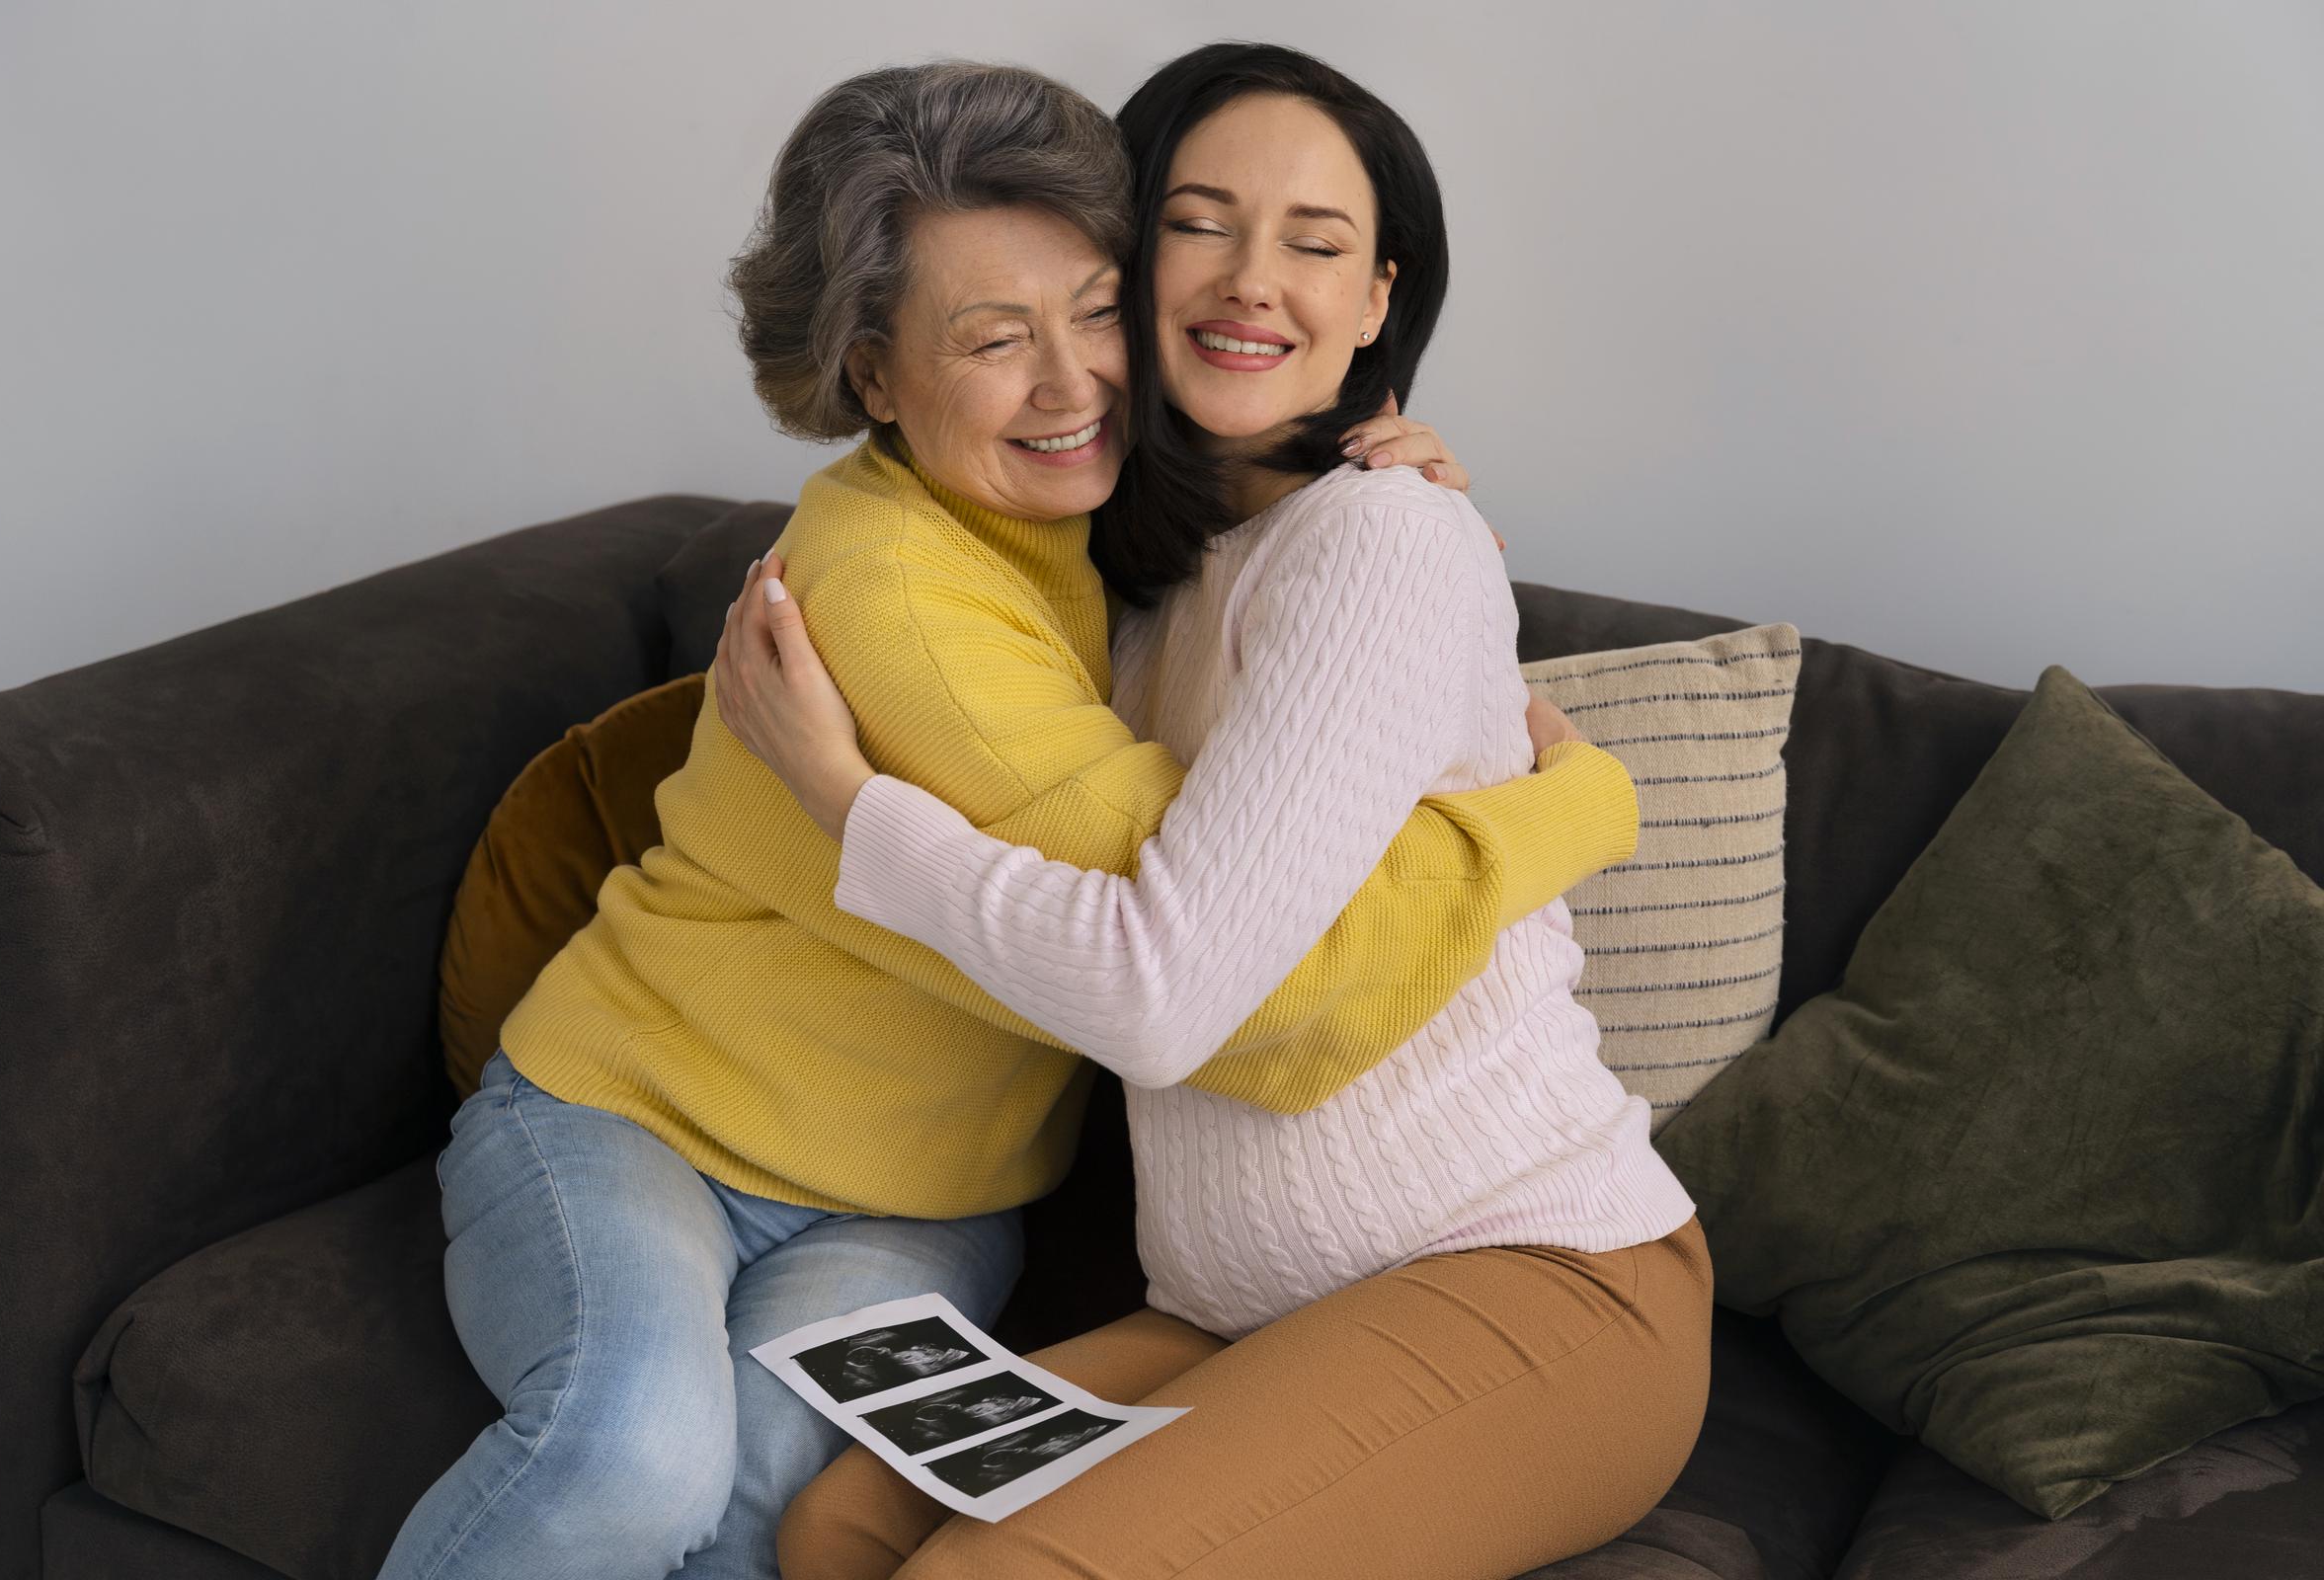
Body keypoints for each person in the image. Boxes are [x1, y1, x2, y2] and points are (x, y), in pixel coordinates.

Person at [378, 59, 1629, 1580]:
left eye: (1093, 310)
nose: (1071, 382)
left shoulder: (1124, 532)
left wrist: (1390, 520)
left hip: (924, 1201)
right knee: (640, 1455)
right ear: (874, 379)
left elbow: (1323, 600)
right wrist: (1573, 807)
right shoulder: (904, 592)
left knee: (784, 1503)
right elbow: (1242, 995)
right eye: (990, 339)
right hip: (639, 1119)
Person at [718, 44, 1714, 1580]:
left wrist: (852, 808)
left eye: (1315, 243)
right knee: (844, 1522)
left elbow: (1165, 998)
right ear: (1126, 258)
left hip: (1538, 1280)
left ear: (1377, 303)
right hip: (1244, 1317)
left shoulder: (1382, 541)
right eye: (1202, 222)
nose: (1256, 279)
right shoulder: (1138, 588)